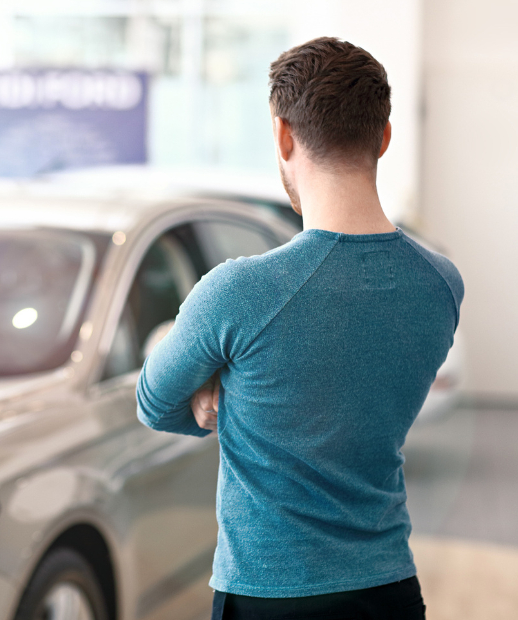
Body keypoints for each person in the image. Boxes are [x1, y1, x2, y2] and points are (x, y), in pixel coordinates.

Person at [136, 37, 463, 620]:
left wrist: (214, 374)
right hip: (389, 591)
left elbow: (155, 405)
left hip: (269, 597)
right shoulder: (441, 284)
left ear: (284, 136)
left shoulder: (238, 293)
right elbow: (352, 389)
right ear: (383, 138)